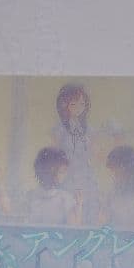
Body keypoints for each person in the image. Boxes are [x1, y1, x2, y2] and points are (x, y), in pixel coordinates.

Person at [50, 83, 101, 222]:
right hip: (67, 175)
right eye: (73, 104)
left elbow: (96, 154)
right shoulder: (59, 129)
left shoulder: (89, 129)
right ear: (65, 105)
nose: (78, 108)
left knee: (89, 207)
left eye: (82, 104)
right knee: (70, 208)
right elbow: (54, 155)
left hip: (86, 175)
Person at [23, 147, 83, 227]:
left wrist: (78, 207)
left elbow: (73, 229)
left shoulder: (66, 199)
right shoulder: (30, 197)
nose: (64, 175)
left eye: (64, 171)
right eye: (61, 171)